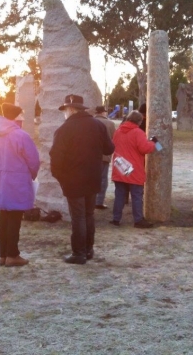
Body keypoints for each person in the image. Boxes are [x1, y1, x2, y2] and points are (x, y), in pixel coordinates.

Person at [50, 95, 114, 264]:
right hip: (93, 177)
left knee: (78, 216)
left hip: (73, 180)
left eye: (65, 110)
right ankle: (88, 249)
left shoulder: (64, 129)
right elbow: (109, 148)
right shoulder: (98, 125)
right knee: (88, 214)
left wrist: (61, 178)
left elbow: (55, 157)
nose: (64, 113)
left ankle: (79, 253)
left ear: (70, 109)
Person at [0, 103, 40, 267]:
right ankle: (13, 254)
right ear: (17, 117)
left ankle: (3, 255)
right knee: (15, 217)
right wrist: (32, 175)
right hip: (17, 180)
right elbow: (33, 160)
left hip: (0, 179)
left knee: (4, 216)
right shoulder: (21, 135)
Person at [110, 110, 157, 228]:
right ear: (139, 121)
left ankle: (116, 218)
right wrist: (153, 143)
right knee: (136, 196)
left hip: (120, 167)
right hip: (133, 169)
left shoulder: (118, 131)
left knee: (119, 195)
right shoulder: (138, 132)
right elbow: (145, 149)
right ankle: (138, 220)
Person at [94, 105, 116, 210]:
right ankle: (99, 201)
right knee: (103, 179)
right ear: (103, 112)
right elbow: (113, 139)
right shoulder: (110, 124)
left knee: (91, 178)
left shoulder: (90, 122)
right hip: (104, 156)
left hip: (91, 156)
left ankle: (91, 200)